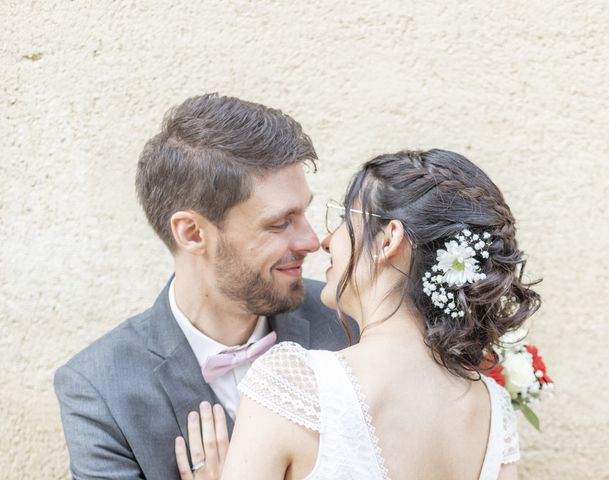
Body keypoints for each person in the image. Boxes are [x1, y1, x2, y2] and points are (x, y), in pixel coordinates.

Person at [175, 149, 540, 479]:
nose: (326, 240)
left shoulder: (296, 383)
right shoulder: (493, 411)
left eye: (343, 219)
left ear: (388, 240)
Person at [54, 93, 356, 479]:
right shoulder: (99, 390)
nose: (311, 241)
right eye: (280, 223)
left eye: (304, 212)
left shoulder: (348, 322)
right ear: (192, 233)